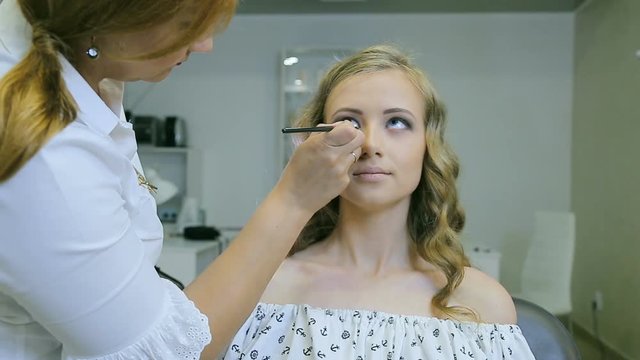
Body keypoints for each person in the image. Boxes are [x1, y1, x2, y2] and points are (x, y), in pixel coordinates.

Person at [0, 0, 364, 359]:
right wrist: (294, 199)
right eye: (188, 24)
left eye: (397, 122)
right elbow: (165, 352)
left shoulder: (95, 77)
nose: (205, 45)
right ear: (111, 12)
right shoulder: (45, 153)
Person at [220, 45, 536, 359]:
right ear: (318, 141)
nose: (370, 144)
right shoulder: (266, 291)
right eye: (350, 123)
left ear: (428, 146)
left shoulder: (481, 305)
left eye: (397, 122)